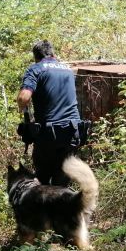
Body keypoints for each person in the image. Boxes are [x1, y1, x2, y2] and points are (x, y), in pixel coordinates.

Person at [16, 40, 84, 186]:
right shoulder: (68, 70)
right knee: (62, 183)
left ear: (36, 57)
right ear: (52, 53)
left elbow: (24, 97)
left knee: (43, 182)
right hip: (73, 133)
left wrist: (21, 105)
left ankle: (44, 207)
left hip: (49, 136)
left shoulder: (36, 69)